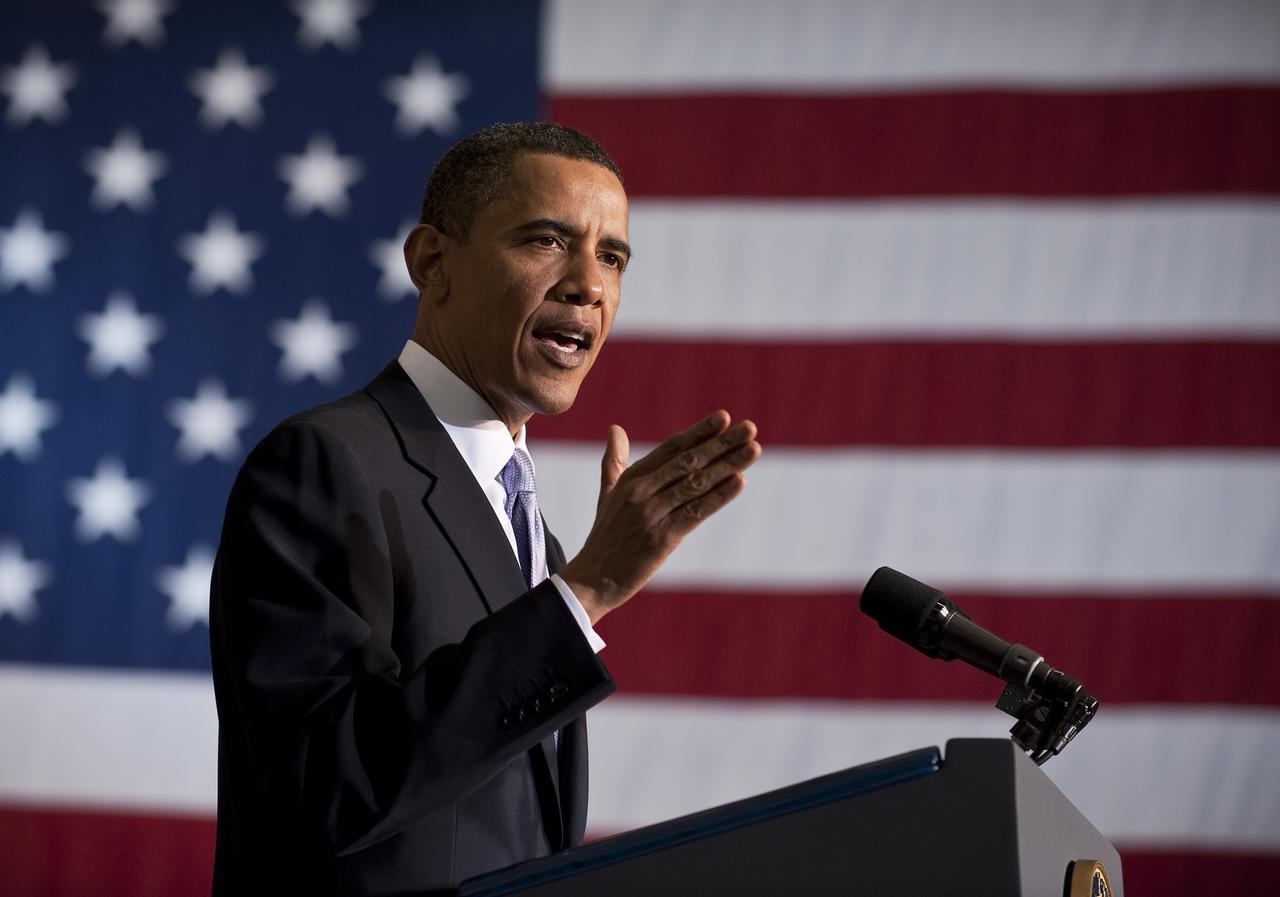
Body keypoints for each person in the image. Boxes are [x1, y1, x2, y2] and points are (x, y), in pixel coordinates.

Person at [209, 122, 761, 896]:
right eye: (546, 241)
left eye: (613, 256)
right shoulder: (327, 464)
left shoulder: (533, 526)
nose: (589, 285)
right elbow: (321, 786)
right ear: (433, 262)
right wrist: (586, 593)